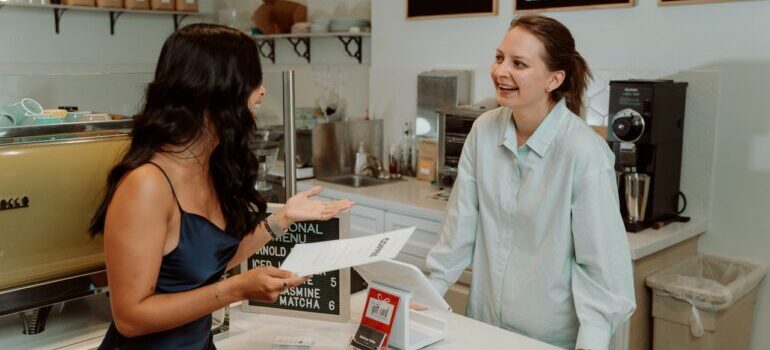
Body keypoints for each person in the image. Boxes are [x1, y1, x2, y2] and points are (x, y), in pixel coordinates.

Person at [89, 24, 353, 350]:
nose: (262, 92)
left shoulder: (210, 167)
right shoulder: (147, 185)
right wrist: (235, 290)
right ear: (215, 89)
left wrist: (282, 220)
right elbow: (130, 318)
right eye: (252, 80)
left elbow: (207, 263)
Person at [426, 15, 635, 350]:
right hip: (483, 328)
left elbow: (602, 270)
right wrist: (426, 295)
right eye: (499, 58)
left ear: (554, 79)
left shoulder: (583, 152)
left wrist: (591, 344)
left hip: (547, 340)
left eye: (518, 63)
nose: (500, 71)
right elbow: (459, 228)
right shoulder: (483, 131)